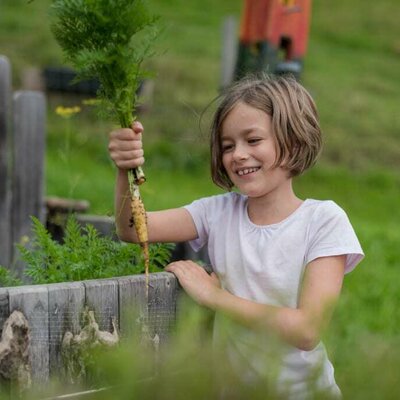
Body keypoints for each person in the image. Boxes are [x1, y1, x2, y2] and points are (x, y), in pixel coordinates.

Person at [108, 74, 364, 399]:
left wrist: (214, 297)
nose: (238, 154)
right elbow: (132, 228)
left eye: (253, 140)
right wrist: (124, 168)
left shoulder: (323, 221)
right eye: (228, 145)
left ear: (295, 140)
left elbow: (307, 330)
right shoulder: (218, 214)